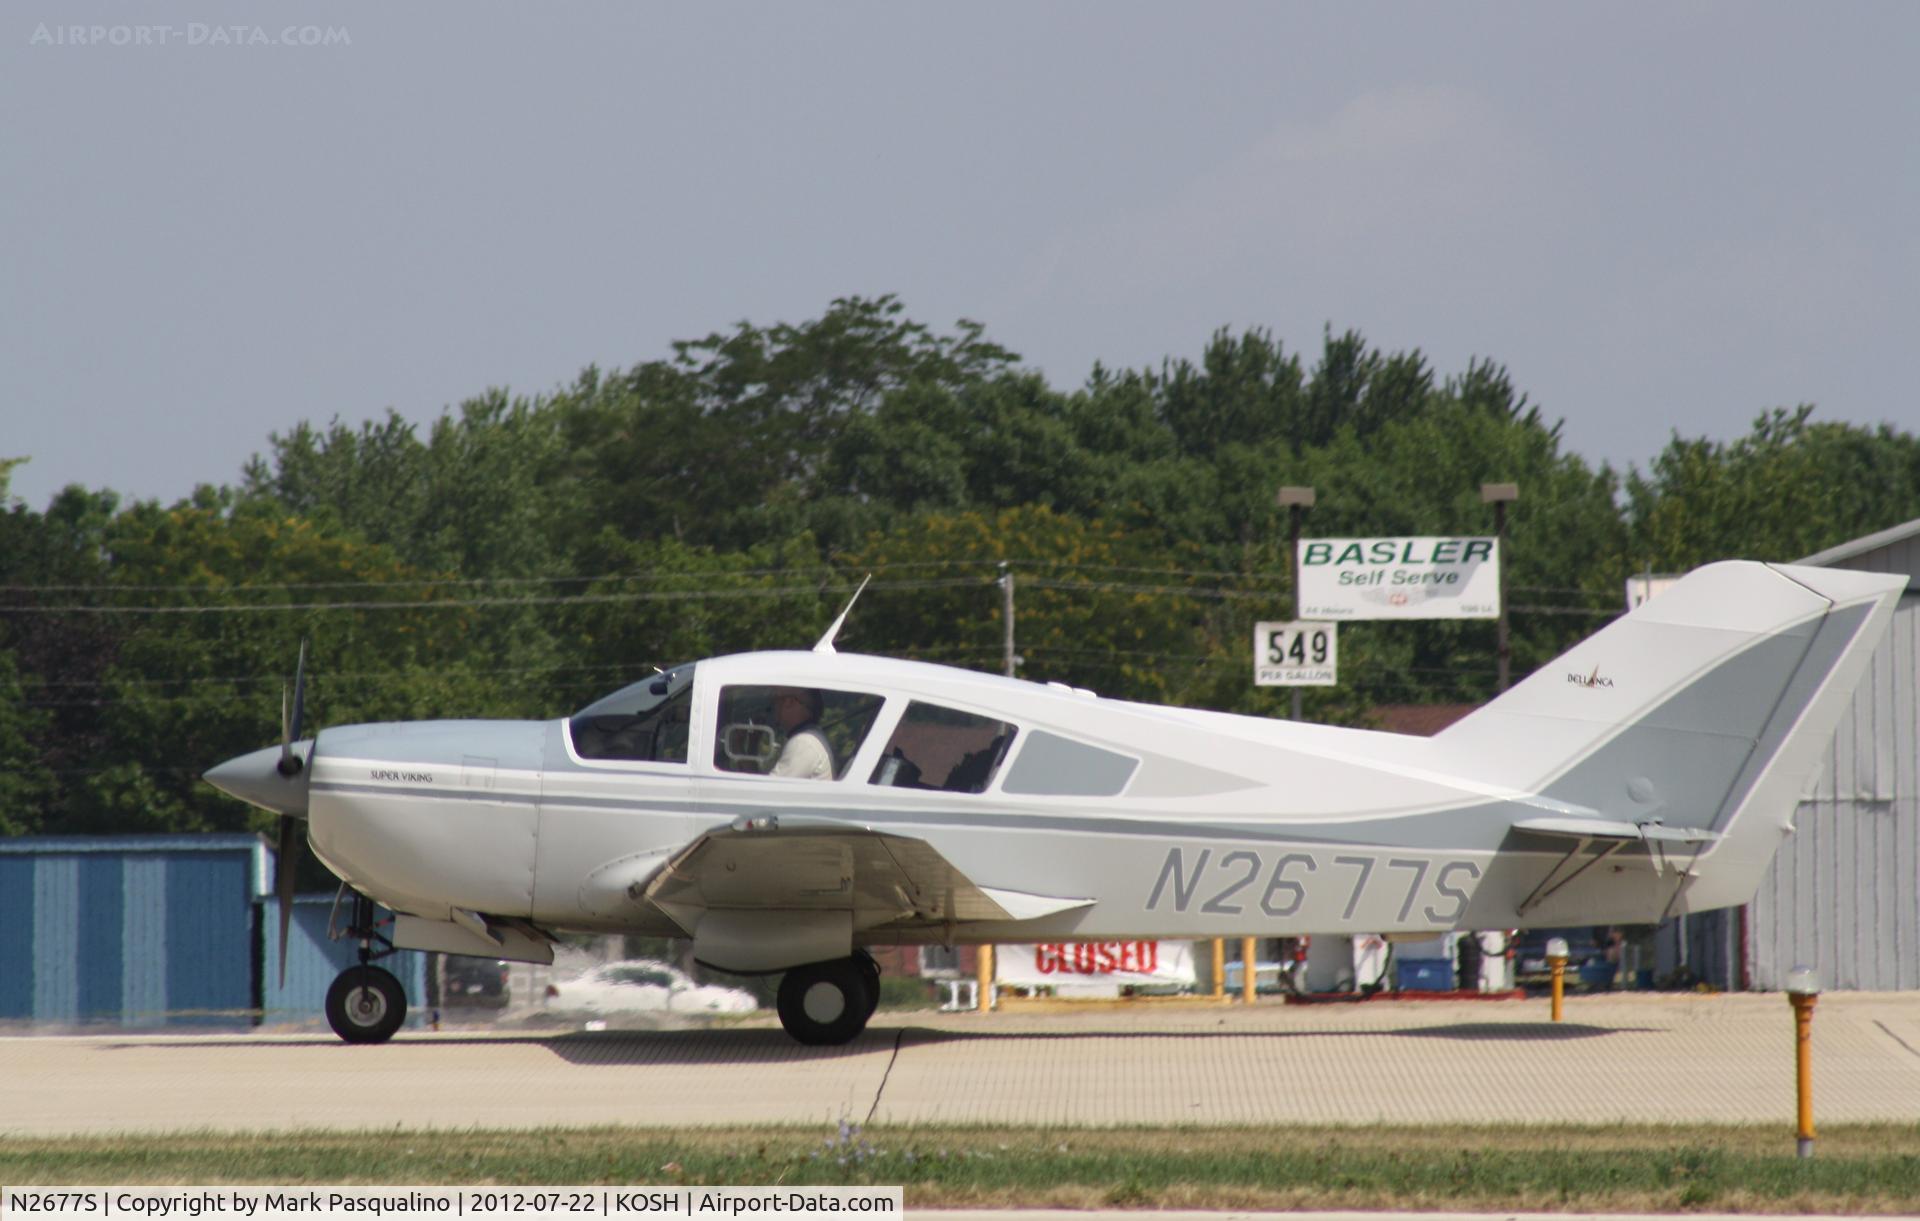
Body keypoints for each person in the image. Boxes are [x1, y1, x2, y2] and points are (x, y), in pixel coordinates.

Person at [770, 687, 834, 780]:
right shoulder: (811, 738)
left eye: (776, 700)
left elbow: (770, 789)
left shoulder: (804, 742)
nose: (774, 707)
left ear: (789, 702)